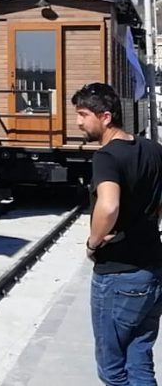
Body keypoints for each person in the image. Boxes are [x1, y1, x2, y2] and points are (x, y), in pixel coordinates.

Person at [74, 82, 162, 385]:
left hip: (118, 274)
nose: (78, 122)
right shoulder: (152, 150)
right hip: (152, 268)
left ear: (106, 117)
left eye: (84, 114)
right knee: (139, 359)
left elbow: (109, 206)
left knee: (113, 369)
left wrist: (93, 242)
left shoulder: (107, 157)